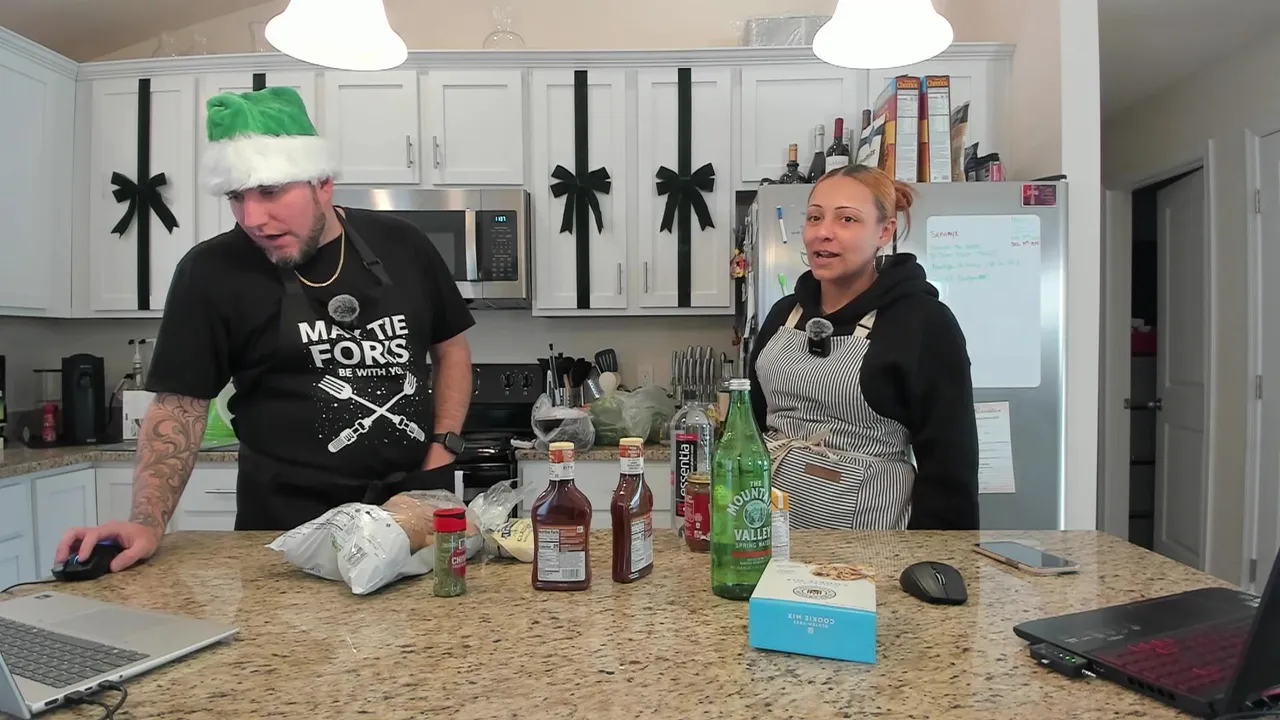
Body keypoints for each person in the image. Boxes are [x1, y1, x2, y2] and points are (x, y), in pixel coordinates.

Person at [56, 87, 476, 572]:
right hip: (283, 529)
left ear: (322, 183)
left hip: (410, 513)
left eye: (271, 191)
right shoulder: (210, 272)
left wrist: (442, 447)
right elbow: (179, 406)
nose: (253, 219)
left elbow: (451, 349)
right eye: (237, 196)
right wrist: (147, 522)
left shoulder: (405, 245)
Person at [748, 164, 979, 531]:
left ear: (884, 231)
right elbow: (750, 424)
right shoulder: (785, 314)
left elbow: (950, 467)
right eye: (814, 217)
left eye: (847, 219)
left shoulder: (923, 323)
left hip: (872, 540)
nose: (823, 232)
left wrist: (936, 557)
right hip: (771, 531)